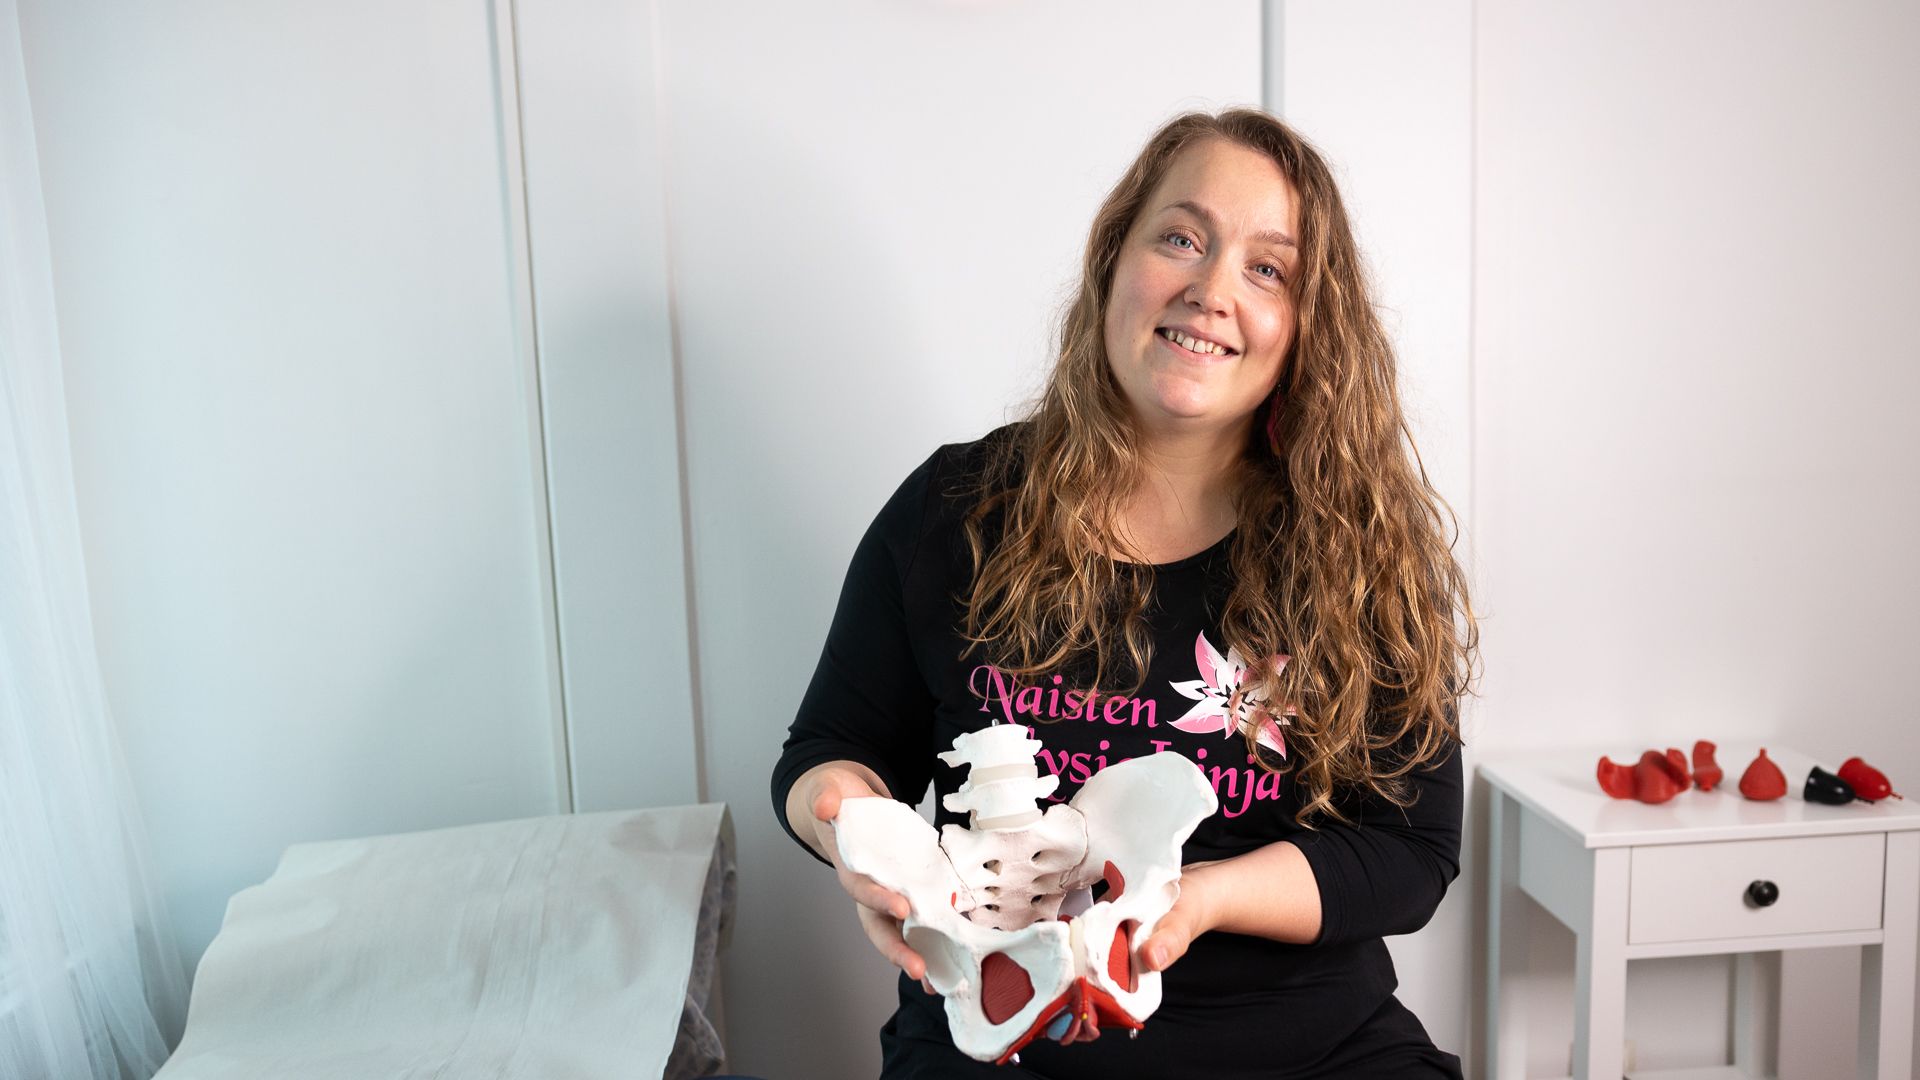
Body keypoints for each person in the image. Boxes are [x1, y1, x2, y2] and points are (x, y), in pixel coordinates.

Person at [770, 108, 1478, 1079]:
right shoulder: (955, 511)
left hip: (1310, 1051)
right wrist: (853, 834)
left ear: (1308, 324)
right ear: (1114, 259)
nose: (1211, 290)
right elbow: (829, 749)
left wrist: (1204, 899)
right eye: (1181, 238)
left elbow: (1411, 850)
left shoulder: (1356, 547)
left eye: (1267, 269)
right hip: (1004, 1039)